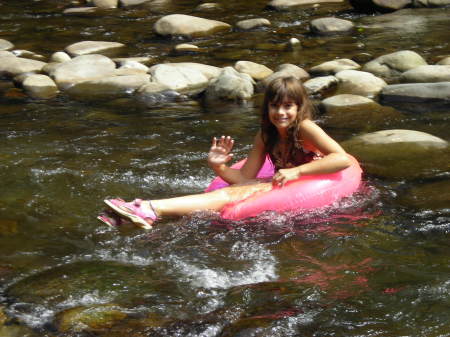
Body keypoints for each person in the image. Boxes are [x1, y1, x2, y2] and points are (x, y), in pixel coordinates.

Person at [99, 76, 351, 229]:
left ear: (299, 107)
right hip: (281, 183)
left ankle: (149, 208)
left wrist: (297, 171)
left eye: (288, 106)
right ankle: (131, 217)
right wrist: (219, 167)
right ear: (267, 108)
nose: (281, 113)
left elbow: (341, 159)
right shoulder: (265, 135)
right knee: (231, 192)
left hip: (311, 181)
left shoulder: (305, 129)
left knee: (227, 196)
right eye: (275, 106)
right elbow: (246, 179)